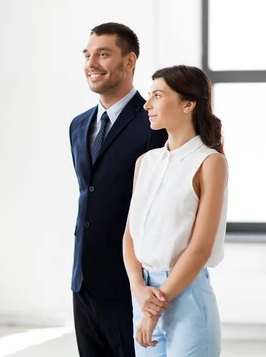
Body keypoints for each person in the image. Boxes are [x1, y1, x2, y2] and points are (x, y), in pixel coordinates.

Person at [69, 22, 168, 357]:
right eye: (88, 54)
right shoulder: (79, 125)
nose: (91, 63)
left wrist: (146, 283)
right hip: (82, 280)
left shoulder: (153, 123)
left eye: (104, 54)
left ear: (130, 62)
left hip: (131, 281)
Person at [123, 65, 227, 356]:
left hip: (185, 295)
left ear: (188, 104)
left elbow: (200, 249)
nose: (147, 105)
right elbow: (130, 236)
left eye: (157, 95)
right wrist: (139, 291)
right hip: (143, 295)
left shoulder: (210, 162)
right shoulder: (145, 162)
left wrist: (155, 308)